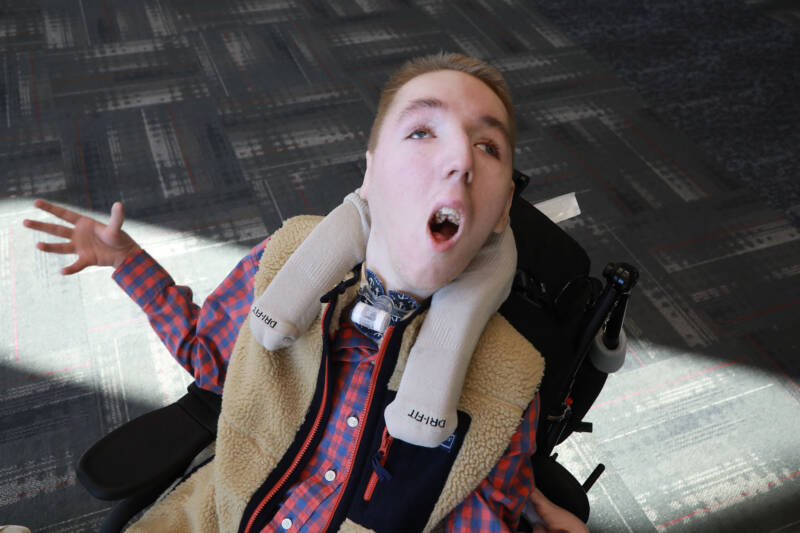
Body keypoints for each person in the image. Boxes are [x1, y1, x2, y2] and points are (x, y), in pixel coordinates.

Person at [24, 53, 589, 533]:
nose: (461, 159)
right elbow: (211, 359)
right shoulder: (286, 260)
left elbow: (475, 517)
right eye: (422, 131)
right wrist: (128, 263)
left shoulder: (510, 378)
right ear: (370, 175)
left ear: (503, 209)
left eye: (487, 147)